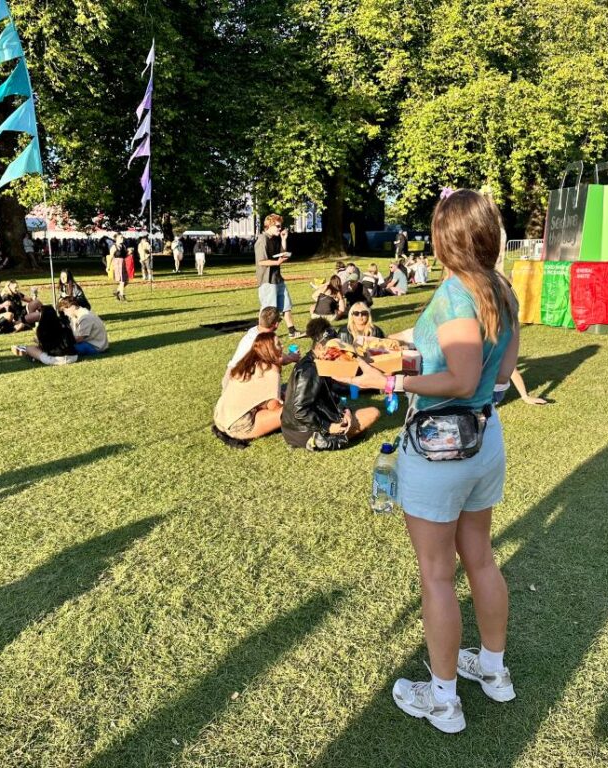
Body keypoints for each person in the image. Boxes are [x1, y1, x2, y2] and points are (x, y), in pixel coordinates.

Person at [341, 188, 520, 734]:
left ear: (446, 239)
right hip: (484, 440)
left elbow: (462, 377)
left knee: (437, 576)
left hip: (441, 450)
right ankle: (493, 672)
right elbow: (498, 366)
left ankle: (443, 699)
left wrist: (392, 379)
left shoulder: (454, 294)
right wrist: (392, 345)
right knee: (481, 559)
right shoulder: (499, 288)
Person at [280, 318, 380, 450]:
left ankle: (333, 434)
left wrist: (346, 411)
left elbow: (330, 395)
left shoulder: (320, 363)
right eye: (332, 349)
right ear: (320, 347)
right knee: (373, 413)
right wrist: (329, 426)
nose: (336, 353)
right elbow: (300, 410)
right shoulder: (309, 370)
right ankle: (321, 440)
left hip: (303, 426)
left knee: (360, 417)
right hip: (302, 431)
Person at [213, 331, 285, 443]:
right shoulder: (271, 369)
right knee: (291, 412)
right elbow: (274, 406)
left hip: (220, 417)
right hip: (238, 425)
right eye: (278, 344)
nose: (282, 346)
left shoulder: (247, 363)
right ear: (269, 349)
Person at [222, 306, 300, 389]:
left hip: (231, 374)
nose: (282, 345)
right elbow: (280, 359)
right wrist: (293, 357)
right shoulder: (263, 340)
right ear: (276, 324)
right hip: (240, 379)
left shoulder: (254, 330)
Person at [255, 213, 300, 337]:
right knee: (268, 309)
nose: (280, 229)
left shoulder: (275, 238)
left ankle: (292, 332)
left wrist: (284, 239)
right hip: (267, 279)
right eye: (278, 226)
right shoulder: (262, 239)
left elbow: (282, 253)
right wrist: (277, 262)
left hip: (278, 278)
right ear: (269, 225)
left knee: (286, 305)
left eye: (281, 226)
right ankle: (261, 334)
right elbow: (261, 261)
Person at [12, 305, 79, 366]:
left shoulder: (42, 328)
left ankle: (27, 353)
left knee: (30, 348)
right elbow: (72, 340)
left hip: (56, 359)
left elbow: (44, 347)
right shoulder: (64, 323)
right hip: (73, 357)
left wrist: (37, 341)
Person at [107, 235, 129, 301]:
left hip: (123, 263)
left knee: (126, 281)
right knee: (122, 281)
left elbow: (125, 255)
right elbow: (111, 257)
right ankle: (122, 295)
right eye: (121, 238)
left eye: (122, 237)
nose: (122, 239)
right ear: (116, 239)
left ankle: (117, 291)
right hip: (117, 264)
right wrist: (108, 266)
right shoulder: (113, 247)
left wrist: (129, 252)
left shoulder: (123, 246)